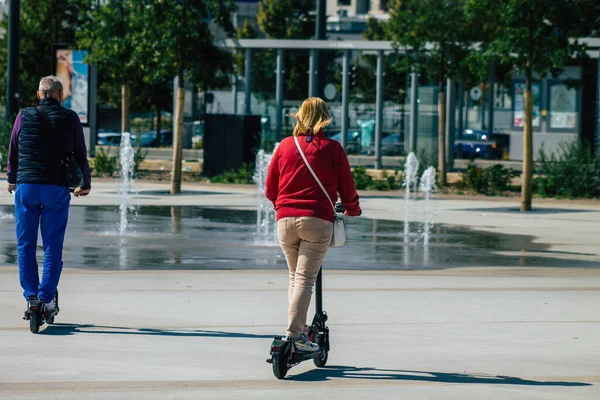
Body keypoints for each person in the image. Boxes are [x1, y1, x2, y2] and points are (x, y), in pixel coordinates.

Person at [265, 97, 361, 352]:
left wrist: (284, 206)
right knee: (306, 280)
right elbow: (347, 187)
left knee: (294, 277)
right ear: (324, 118)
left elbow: (270, 189)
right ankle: (295, 335)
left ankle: (298, 331)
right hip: (317, 221)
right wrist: (353, 209)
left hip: (285, 221)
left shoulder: (284, 146)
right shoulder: (332, 148)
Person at [7, 75, 92, 316]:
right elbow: (80, 153)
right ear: (61, 95)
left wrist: (11, 178)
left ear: (38, 95)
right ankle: (47, 298)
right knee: (53, 245)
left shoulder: (24, 115)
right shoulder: (70, 117)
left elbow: (13, 147)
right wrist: (85, 183)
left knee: (25, 244)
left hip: (27, 187)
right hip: (56, 187)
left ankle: (31, 297)